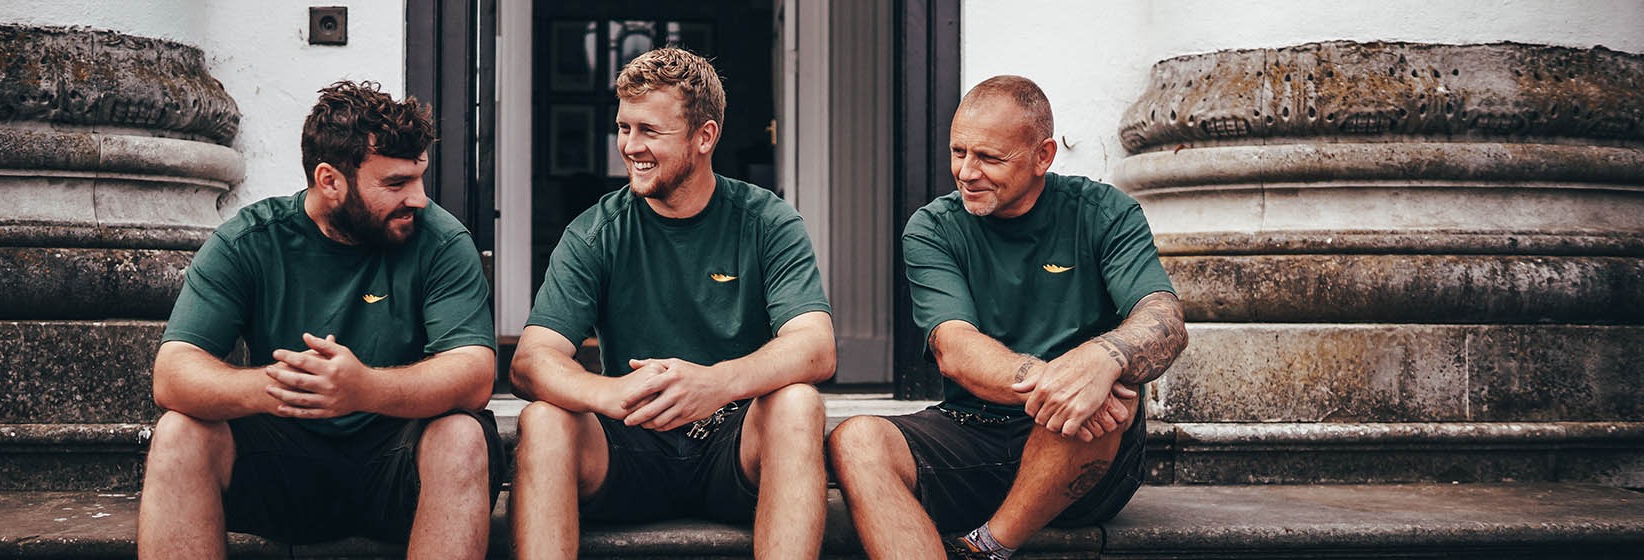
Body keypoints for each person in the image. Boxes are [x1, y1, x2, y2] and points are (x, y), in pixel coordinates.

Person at [827, 75, 1189, 560]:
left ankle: (985, 549)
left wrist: (1105, 359)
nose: (967, 172)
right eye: (959, 152)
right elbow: (954, 349)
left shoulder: (1104, 212)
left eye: (990, 158)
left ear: (1043, 156)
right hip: (972, 431)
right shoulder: (933, 227)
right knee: (856, 438)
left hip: (1080, 452)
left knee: (1101, 399)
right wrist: (1057, 379)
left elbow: (1163, 318)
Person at [137, 81, 502, 559]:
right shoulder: (249, 242)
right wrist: (287, 387)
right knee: (179, 433)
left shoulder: (442, 240)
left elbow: (473, 374)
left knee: (462, 434)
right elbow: (173, 374)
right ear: (329, 180)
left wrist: (363, 388)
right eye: (395, 184)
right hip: (285, 466)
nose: (417, 198)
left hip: (400, 471)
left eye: (418, 178)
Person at [509, 47, 835, 559]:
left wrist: (715, 383)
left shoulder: (766, 221)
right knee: (544, 420)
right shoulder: (597, 231)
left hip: (732, 444)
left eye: (649, 131)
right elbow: (531, 362)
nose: (629, 146)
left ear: (704, 136)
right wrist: (607, 393)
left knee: (798, 403)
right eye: (624, 127)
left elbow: (815, 347)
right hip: (629, 443)